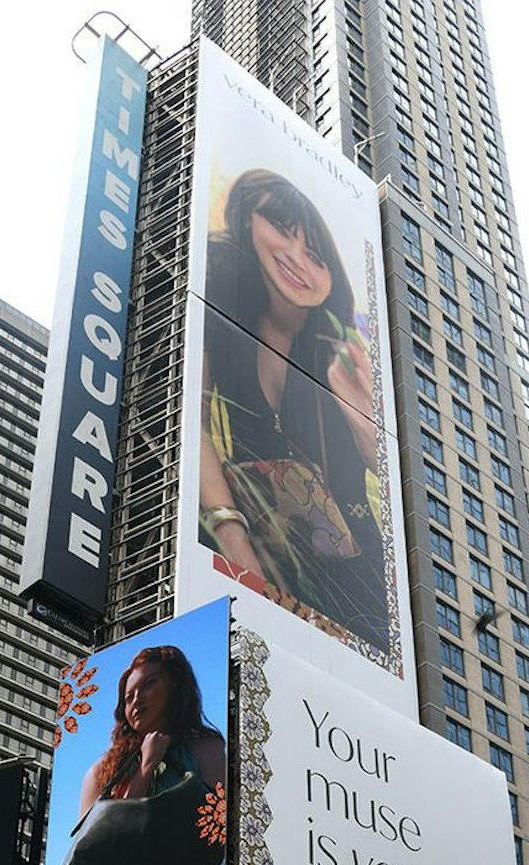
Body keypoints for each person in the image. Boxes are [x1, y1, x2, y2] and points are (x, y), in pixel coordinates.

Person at [199, 169, 391, 653]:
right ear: (246, 221)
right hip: (261, 569)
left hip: (358, 592)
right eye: (282, 228)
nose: (296, 258)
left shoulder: (341, 356)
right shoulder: (221, 306)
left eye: (315, 254)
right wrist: (239, 553)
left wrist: (358, 408)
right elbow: (191, 425)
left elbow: (394, 500)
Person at [69, 645, 226, 865]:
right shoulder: (101, 772)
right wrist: (145, 767)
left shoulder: (207, 750)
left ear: (175, 686)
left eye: (149, 685)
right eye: (128, 696)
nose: (136, 700)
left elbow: (208, 844)